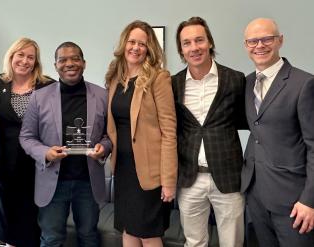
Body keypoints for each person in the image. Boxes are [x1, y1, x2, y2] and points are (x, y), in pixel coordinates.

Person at [19, 41, 112, 247]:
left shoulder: (102, 96)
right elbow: (26, 137)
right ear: (55, 66)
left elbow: (109, 135)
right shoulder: (39, 97)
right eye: (63, 60)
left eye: (75, 58)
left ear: (84, 63)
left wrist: (104, 147)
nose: (69, 63)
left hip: (88, 182)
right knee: (51, 239)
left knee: (88, 236)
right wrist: (45, 152)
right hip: (53, 181)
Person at [172, 17, 246, 247]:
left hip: (228, 177)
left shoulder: (235, 79)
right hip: (189, 177)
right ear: (181, 50)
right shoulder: (172, 84)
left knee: (232, 242)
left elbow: (245, 120)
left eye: (199, 40)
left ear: (210, 42)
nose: (194, 47)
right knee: (194, 242)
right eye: (187, 43)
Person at [241, 17, 314, 247]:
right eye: (253, 41)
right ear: (246, 46)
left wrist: (310, 200)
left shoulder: (304, 84)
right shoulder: (247, 82)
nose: (259, 45)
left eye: (267, 39)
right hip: (255, 195)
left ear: (280, 41)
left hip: (293, 202)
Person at [105, 20, 178, 247]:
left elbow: (169, 131)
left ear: (149, 49)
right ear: (124, 44)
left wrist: (168, 181)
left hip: (149, 172)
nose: (136, 48)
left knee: (148, 234)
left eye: (142, 44)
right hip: (123, 168)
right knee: (128, 229)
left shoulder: (159, 77)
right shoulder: (115, 79)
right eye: (132, 42)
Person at [0, 37, 54, 247]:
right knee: (10, 225)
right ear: (11, 56)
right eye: (20, 55)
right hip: (5, 166)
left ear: (36, 62)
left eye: (30, 57)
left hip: (38, 166)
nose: (24, 61)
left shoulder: (47, 86)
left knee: (34, 223)